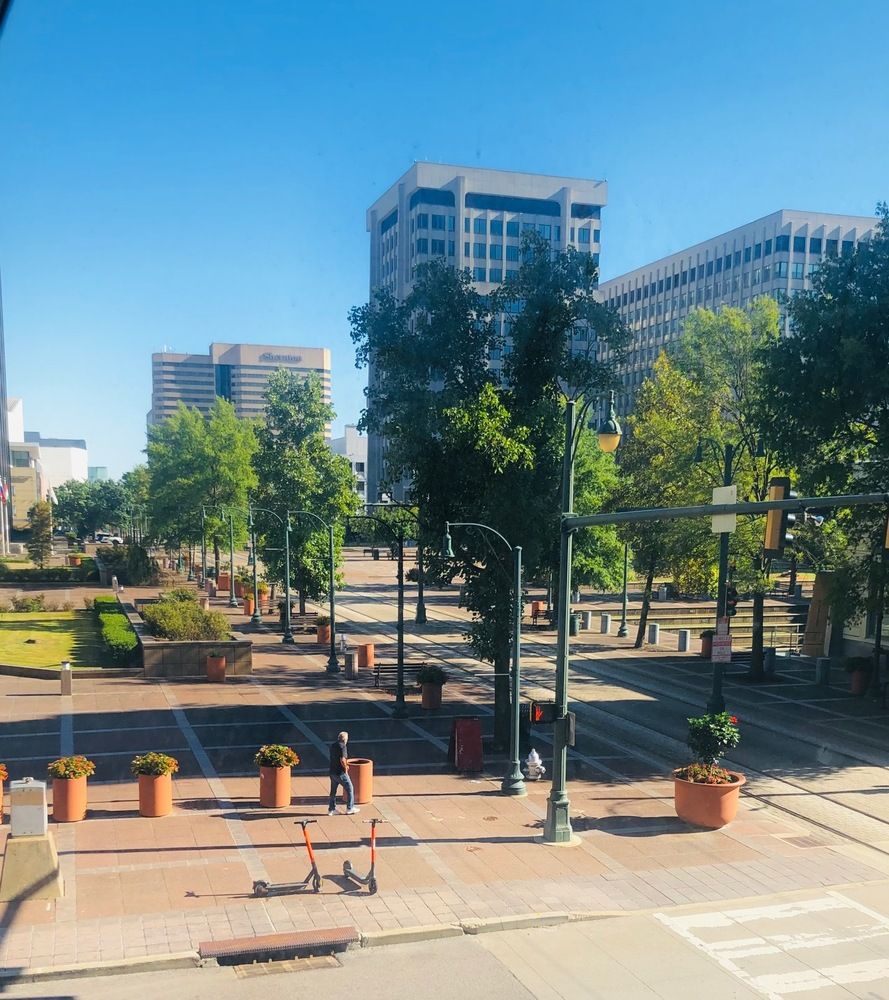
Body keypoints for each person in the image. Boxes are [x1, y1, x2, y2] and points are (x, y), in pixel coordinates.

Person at [328, 730, 359, 815]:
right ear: (345, 739)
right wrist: (345, 767)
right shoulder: (343, 746)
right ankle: (350, 808)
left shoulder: (333, 745)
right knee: (350, 788)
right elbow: (342, 759)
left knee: (333, 791)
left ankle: (331, 809)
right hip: (340, 772)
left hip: (332, 771)